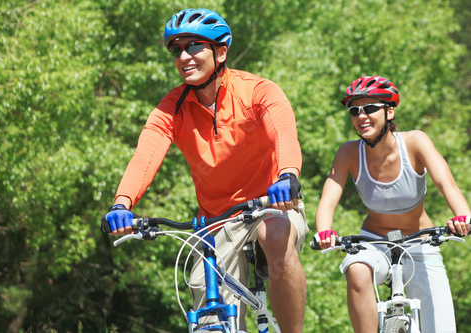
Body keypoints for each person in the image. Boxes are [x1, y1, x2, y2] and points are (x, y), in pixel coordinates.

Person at [102, 8, 308, 332]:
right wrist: (122, 203)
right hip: (216, 222)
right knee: (208, 312)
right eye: (176, 50)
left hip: (271, 204)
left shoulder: (258, 91)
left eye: (194, 46)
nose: (184, 56)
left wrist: (288, 175)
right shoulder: (171, 108)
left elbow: (283, 132)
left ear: (221, 51)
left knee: (277, 235)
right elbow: (145, 156)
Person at [314, 75, 470, 333]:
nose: (361, 116)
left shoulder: (415, 142)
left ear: (389, 111)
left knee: (441, 328)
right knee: (356, 268)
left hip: (421, 243)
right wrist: (324, 232)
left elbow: (447, 185)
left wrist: (463, 218)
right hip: (374, 242)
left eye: (370, 108)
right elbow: (328, 201)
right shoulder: (348, 153)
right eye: (355, 111)